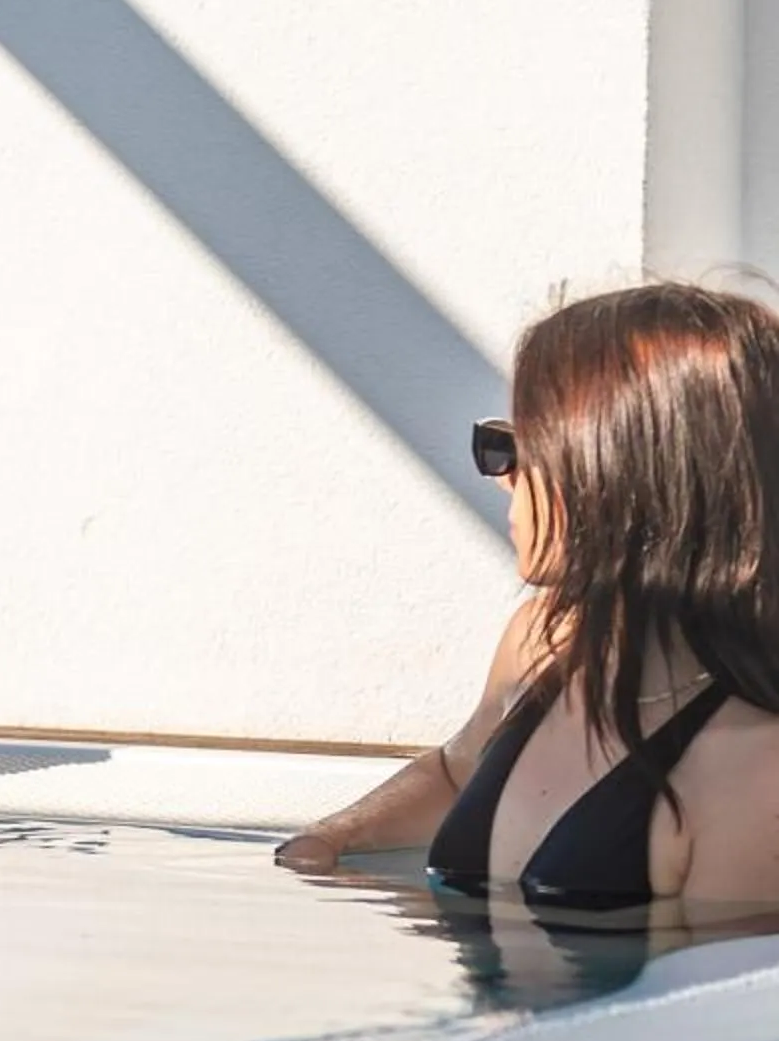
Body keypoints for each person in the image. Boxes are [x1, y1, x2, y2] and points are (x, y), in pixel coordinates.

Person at [276, 282, 779, 920]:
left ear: (618, 473)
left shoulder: (755, 773)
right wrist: (329, 840)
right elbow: (458, 771)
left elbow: (716, 1012)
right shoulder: (542, 640)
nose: (498, 473)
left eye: (518, 448)